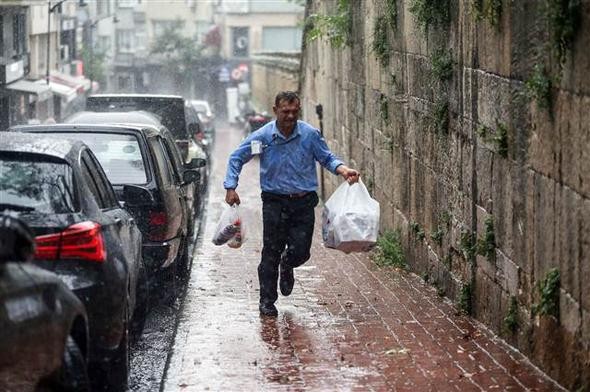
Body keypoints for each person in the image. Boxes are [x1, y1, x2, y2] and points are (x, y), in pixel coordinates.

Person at [224, 91, 359, 317]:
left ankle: (288, 263)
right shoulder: (262, 136)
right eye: (285, 111)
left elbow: (326, 157)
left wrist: (343, 170)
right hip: (274, 202)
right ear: (275, 110)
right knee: (270, 253)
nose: (290, 116)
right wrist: (231, 187)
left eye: (294, 111)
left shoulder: (309, 135)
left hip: (303, 202)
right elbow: (237, 157)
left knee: (301, 251)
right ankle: (267, 301)